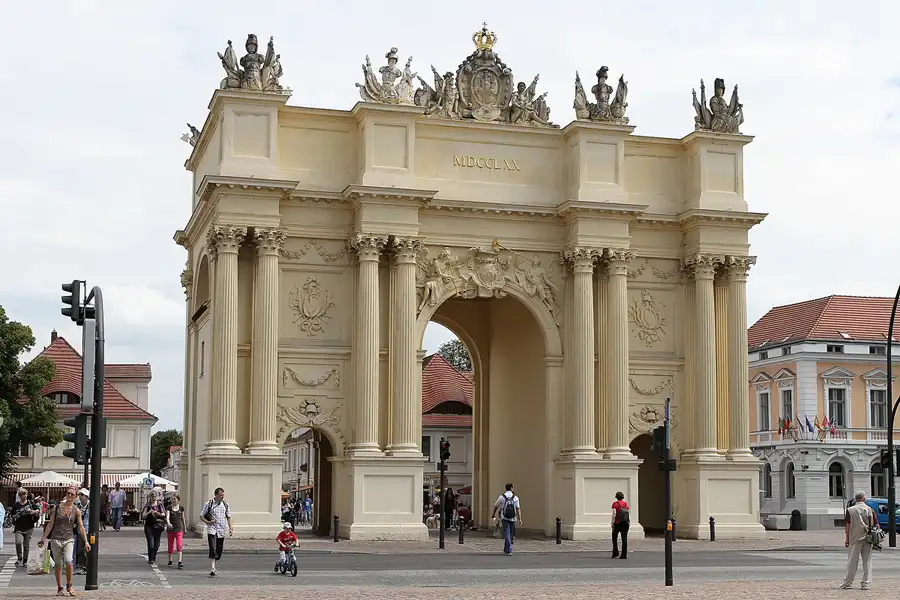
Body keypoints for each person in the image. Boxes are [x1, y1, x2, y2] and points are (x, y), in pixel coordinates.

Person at [39, 484, 91, 597]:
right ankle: (59, 588)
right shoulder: (57, 508)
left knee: (68, 560)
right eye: (68, 493)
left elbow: (81, 527)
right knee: (58, 564)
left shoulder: (76, 510)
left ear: (75, 496)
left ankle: (70, 585)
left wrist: (86, 541)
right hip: (55, 539)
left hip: (68, 539)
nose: (70, 495)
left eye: (72, 494)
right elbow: (51, 524)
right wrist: (43, 538)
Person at [841, 490, 878, 590]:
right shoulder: (870, 510)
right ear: (864, 498)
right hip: (868, 538)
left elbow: (847, 526)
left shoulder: (850, 510)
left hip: (855, 538)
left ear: (855, 499)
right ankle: (866, 583)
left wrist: (847, 539)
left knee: (852, 561)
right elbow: (876, 525)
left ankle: (848, 583)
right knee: (867, 562)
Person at [201, 487, 233, 577]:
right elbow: (201, 516)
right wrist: (208, 522)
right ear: (216, 495)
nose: (222, 497)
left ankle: (215, 562)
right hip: (212, 529)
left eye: (223, 495)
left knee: (219, 550)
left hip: (221, 530)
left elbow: (228, 516)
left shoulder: (226, 504)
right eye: (220, 495)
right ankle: (213, 568)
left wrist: (231, 528)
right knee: (213, 547)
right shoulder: (209, 504)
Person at [490, 483, 521, 556]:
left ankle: (508, 549)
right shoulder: (515, 497)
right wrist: (520, 519)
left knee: (506, 532)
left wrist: (493, 514)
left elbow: (496, 506)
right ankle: (507, 549)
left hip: (504, 517)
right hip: (513, 517)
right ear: (511, 488)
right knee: (510, 533)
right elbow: (518, 508)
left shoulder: (502, 497)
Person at [12, 488, 39, 567]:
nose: (25, 496)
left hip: (29, 527)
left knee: (26, 545)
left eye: (26, 494)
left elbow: (38, 509)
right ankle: (19, 557)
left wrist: (33, 511)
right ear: (20, 496)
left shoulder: (30, 503)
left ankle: (25, 561)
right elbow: (12, 515)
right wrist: (16, 516)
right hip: (19, 528)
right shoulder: (16, 505)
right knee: (18, 542)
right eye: (24, 494)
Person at [142, 491, 166, 567]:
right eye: (151, 497)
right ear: (149, 497)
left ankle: (154, 554)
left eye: (154, 497)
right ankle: (151, 558)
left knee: (157, 544)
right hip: (149, 526)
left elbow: (164, 514)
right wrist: (149, 512)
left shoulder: (159, 504)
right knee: (151, 543)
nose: (153, 498)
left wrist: (158, 513)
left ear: (156, 497)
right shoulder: (147, 505)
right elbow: (143, 516)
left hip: (158, 526)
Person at [166, 493, 186, 569]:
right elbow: (167, 517)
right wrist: (168, 523)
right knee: (170, 545)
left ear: (178, 500)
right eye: (172, 499)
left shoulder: (181, 508)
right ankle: (170, 560)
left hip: (178, 529)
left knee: (179, 545)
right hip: (171, 529)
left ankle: (179, 561)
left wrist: (185, 527)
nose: (173, 500)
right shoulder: (169, 507)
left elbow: (183, 518)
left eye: (174, 499)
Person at [74, 489, 90, 575]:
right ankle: (82, 566)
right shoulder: (77, 505)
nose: (80, 497)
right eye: (80, 495)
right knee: (80, 549)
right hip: (79, 529)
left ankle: (87, 566)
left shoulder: (90, 504)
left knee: (86, 549)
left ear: (86, 496)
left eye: (82, 495)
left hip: (88, 529)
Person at [610, 491, 631, 559]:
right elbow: (627, 513)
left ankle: (615, 553)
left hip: (617, 523)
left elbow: (614, 514)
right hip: (625, 523)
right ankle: (624, 554)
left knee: (614, 538)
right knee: (624, 539)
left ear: (616, 497)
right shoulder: (625, 504)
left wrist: (612, 522)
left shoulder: (615, 504)